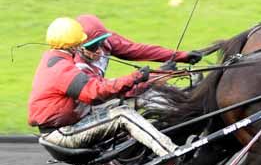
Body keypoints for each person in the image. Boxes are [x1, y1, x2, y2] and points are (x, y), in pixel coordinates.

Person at [28, 17, 180, 157]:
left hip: (71, 123)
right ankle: (172, 153)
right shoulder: (61, 68)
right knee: (122, 114)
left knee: (130, 102)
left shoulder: (56, 59)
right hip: (63, 133)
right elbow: (95, 92)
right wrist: (135, 77)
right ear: (75, 45)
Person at [74, 14, 203, 77]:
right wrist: (157, 76)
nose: (98, 50)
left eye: (100, 43)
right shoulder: (78, 68)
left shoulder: (107, 40)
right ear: (77, 46)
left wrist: (180, 56)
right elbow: (106, 91)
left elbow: (138, 50)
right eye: (92, 46)